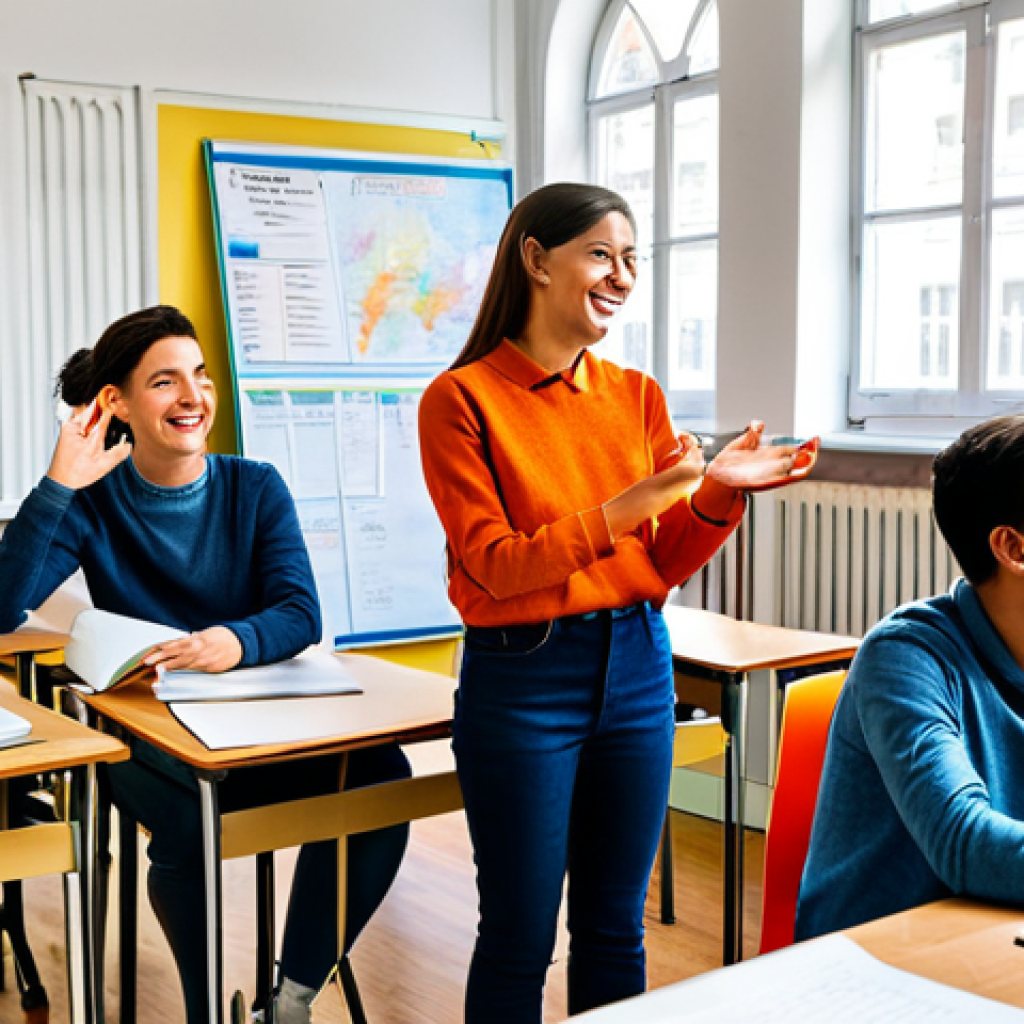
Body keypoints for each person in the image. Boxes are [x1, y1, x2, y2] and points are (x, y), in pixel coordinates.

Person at [418, 182, 816, 1022]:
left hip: (637, 667)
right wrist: (638, 499)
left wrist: (715, 494)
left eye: (633, 259)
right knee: (520, 936)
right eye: (602, 253)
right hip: (524, 683)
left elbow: (661, 562)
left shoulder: (636, 393)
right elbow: (495, 566)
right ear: (535, 259)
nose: (622, 275)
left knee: (613, 930)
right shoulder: (459, 401)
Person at [0, 305, 410, 1024]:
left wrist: (233, 641)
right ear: (116, 403)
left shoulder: (255, 486)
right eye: (165, 382)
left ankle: (290, 1001)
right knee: (192, 829)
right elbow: (3, 608)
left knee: (381, 780)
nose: (193, 397)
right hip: (147, 740)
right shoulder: (91, 504)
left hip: (254, 728)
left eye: (200, 375)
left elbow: (299, 612)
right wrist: (60, 481)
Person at [796, 414, 1024, 941]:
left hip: (994, 937)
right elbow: (963, 841)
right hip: (875, 970)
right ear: (1013, 548)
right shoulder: (904, 657)